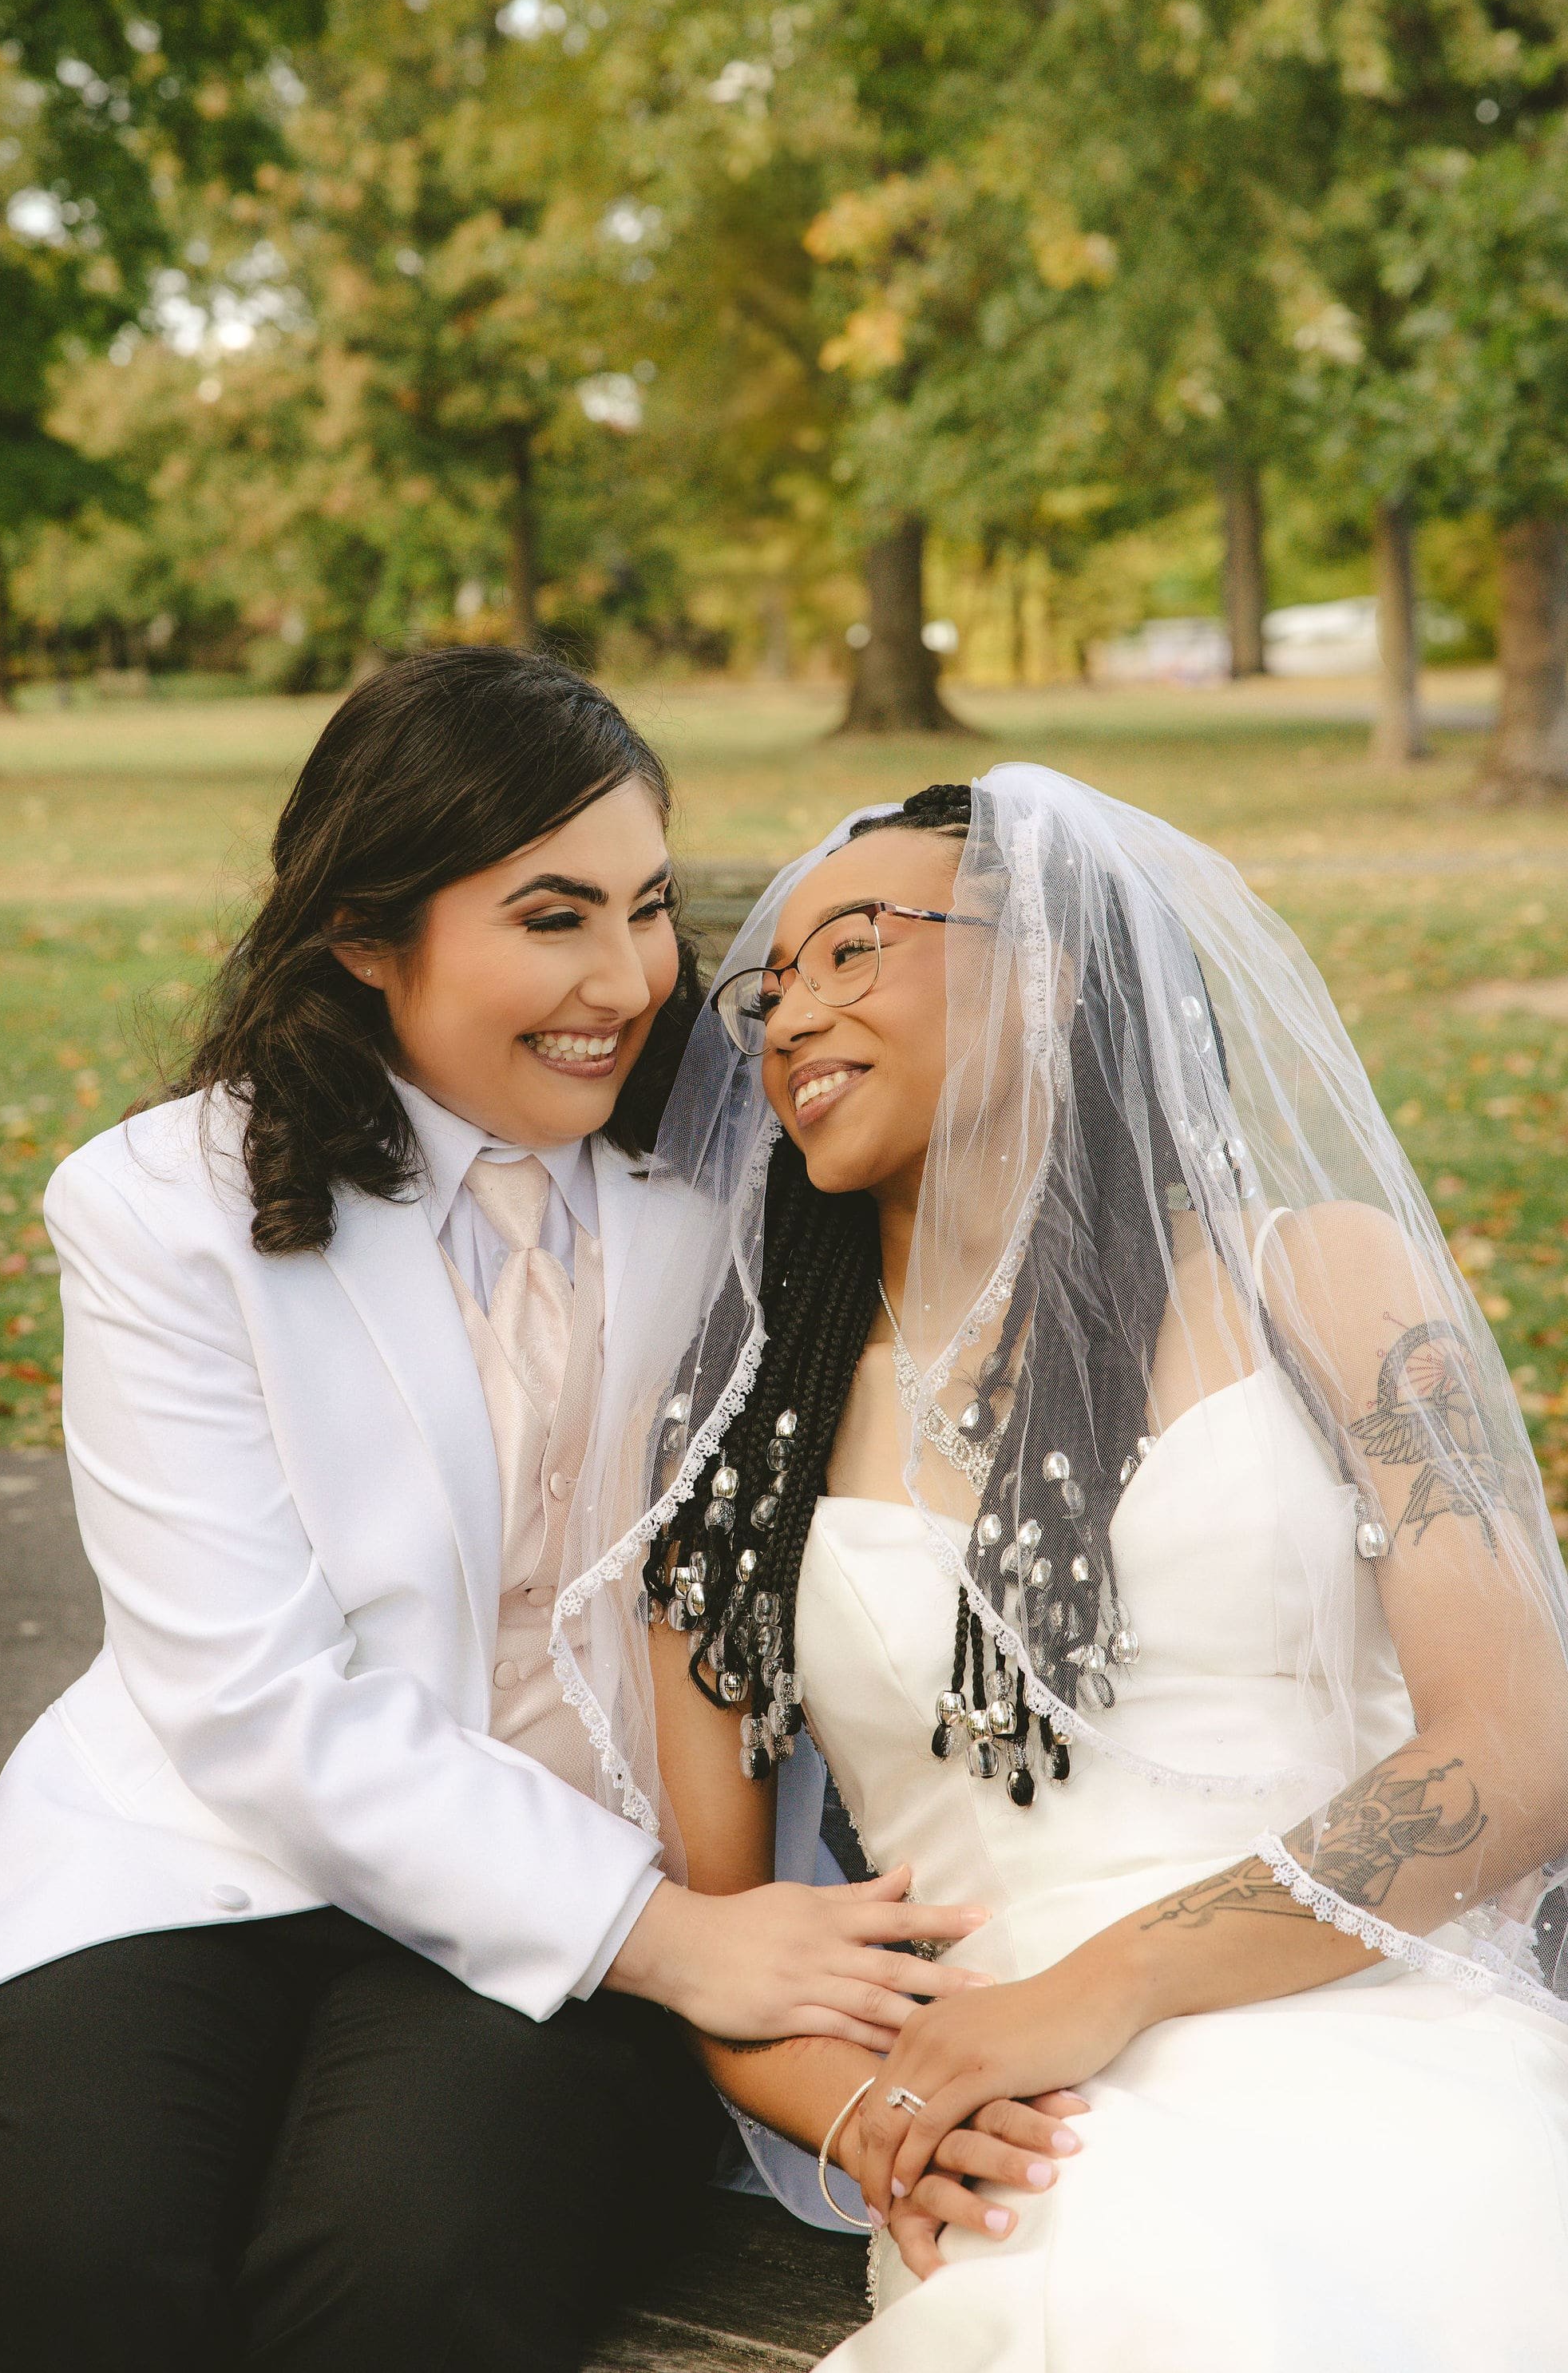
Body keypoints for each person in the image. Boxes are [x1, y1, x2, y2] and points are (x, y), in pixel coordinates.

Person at [0, 652, 984, 2373]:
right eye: (551, 918)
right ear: (364, 933)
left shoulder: (742, 1168)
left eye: (649, 909)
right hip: (199, 1853)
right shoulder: (160, 1207)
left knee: (399, 2284)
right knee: (70, 2263)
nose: (625, 981)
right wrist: (677, 1941)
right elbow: (248, 1702)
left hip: (584, 1876)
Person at [555, 767, 1568, 2371]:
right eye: (771, 986)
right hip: (1025, 2120)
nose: (791, 1017)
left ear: (1053, 968)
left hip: (1384, 2009)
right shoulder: (742, 1432)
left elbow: (1517, 1751)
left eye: (855, 949)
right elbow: (728, 1941)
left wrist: (1115, 1984)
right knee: (1130, 2297)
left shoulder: (1319, 1280)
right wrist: (895, 2115)